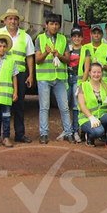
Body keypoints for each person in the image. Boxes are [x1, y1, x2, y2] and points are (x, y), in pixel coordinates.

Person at [0, 8, 34, 144]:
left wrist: (30, 75)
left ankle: (19, 134)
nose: (13, 21)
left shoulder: (25, 36)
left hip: (19, 75)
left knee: (19, 106)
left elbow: (29, 57)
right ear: (5, 20)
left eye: (15, 19)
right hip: (0, 75)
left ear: (18, 21)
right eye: (10, 18)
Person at [34, 14, 73, 144]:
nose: (54, 26)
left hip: (60, 78)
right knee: (44, 107)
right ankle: (44, 134)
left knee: (64, 107)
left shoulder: (63, 39)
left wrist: (59, 55)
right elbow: (37, 61)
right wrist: (46, 53)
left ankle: (69, 132)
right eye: (51, 23)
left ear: (59, 26)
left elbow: (68, 60)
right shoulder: (40, 39)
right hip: (44, 78)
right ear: (46, 25)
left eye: (56, 24)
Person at [77, 63, 107, 148]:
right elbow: (82, 105)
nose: (96, 74)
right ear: (89, 73)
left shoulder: (105, 85)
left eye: (99, 72)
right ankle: (90, 136)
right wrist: (91, 117)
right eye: (94, 72)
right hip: (86, 118)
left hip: (102, 115)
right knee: (99, 132)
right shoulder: (84, 86)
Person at [67, 25, 91, 143]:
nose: (76, 39)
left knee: (76, 107)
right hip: (67, 79)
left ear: (82, 38)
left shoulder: (85, 50)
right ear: (71, 37)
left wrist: (82, 84)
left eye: (78, 36)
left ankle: (76, 131)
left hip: (78, 79)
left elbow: (86, 69)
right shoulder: (68, 49)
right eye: (74, 36)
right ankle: (67, 130)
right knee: (65, 106)